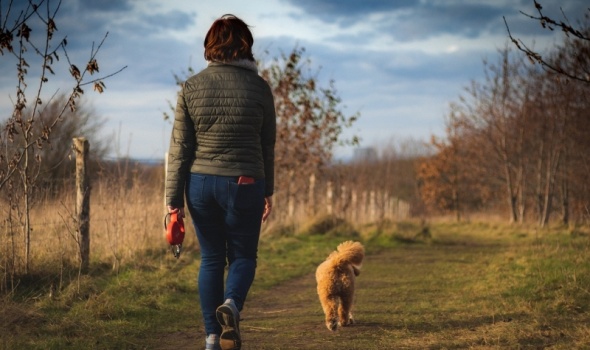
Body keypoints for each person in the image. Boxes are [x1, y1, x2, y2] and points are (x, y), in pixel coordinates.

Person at [165, 14, 276, 350]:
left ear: (210, 47)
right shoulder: (260, 88)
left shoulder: (191, 87)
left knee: (211, 258)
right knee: (243, 257)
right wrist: (268, 190)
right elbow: (266, 144)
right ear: (246, 47)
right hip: (245, 182)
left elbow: (180, 148)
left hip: (200, 185)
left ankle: (212, 337)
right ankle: (231, 304)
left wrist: (173, 202)